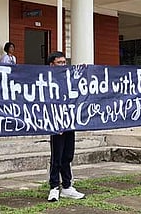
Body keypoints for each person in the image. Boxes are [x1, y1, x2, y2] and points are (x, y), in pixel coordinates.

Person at [47, 51, 85, 202]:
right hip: (56, 123)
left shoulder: (69, 79)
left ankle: (67, 186)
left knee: (68, 155)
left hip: (70, 121)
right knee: (57, 156)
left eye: (64, 62)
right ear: (51, 65)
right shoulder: (47, 80)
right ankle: (54, 187)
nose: (63, 65)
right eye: (59, 62)